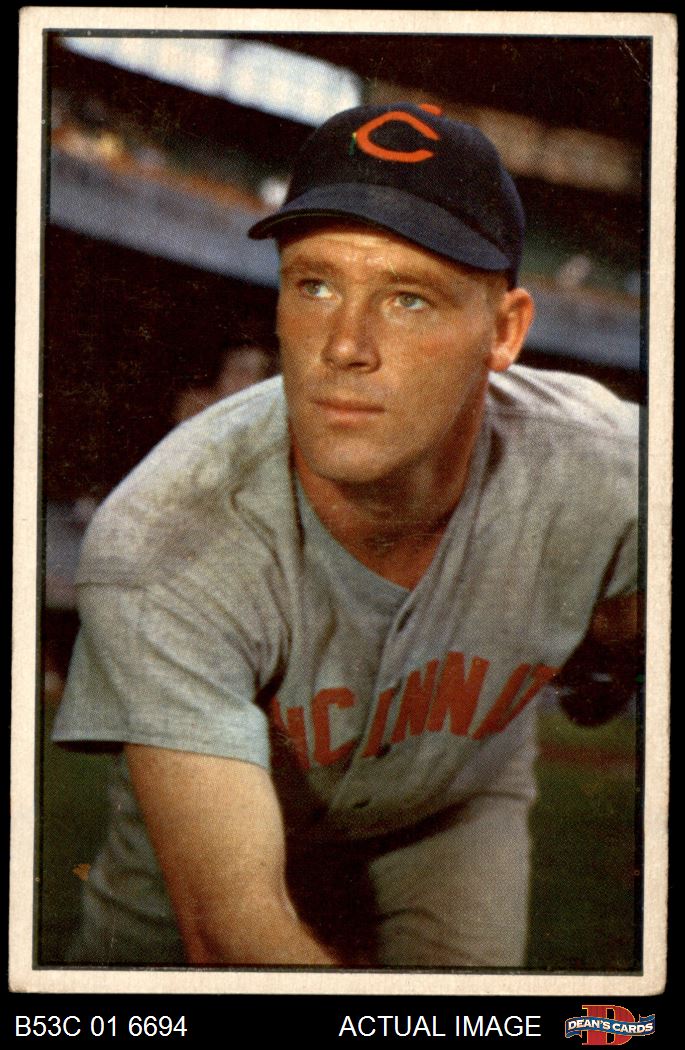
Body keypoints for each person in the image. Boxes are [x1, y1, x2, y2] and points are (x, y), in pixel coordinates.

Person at [53, 102, 641, 968]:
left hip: (451, 813)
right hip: (203, 838)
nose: (344, 346)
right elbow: (232, 930)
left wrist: (624, 624)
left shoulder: (614, 471)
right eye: (315, 285)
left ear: (503, 332)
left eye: (407, 298)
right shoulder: (168, 530)